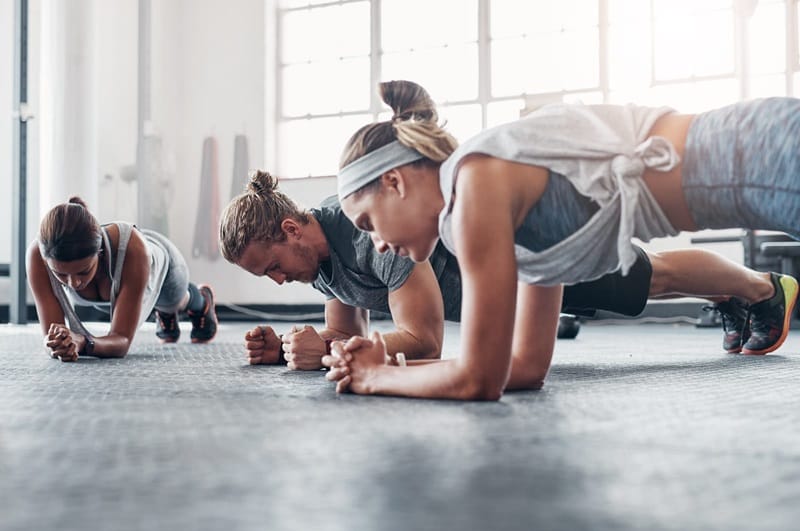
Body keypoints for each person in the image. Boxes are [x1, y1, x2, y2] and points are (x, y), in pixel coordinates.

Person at [323, 80, 800, 400]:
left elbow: (480, 378)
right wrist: (387, 367)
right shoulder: (509, 212)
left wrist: (377, 378)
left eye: (367, 223)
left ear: (394, 183)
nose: (377, 244)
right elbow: (525, 367)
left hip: (767, 152)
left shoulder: (474, 186)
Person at [220, 171, 780, 370]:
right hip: (503, 287)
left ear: (291, 229)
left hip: (526, 250)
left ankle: (763, 288)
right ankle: (736, 295)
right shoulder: (315, 263)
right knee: (641, 286)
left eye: (271, 266)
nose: (276, 282)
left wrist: (333, 351)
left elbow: (423, 340)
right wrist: (296, 347)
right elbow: (348, 336)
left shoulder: (370, 235)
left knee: (650, 279)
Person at [27, 197, 219, 361]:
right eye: (61, 274)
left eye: (83, 272)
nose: (73, 283)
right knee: (137, 302)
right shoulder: (38, 255)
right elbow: (50, 334)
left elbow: (122, 340)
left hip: (163, 265)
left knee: (172, 302)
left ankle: (200, 301)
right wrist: (58, 344)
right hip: (132, 276)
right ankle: (160, 311)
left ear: (99, 253)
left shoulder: (135, 250)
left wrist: (85, 343)